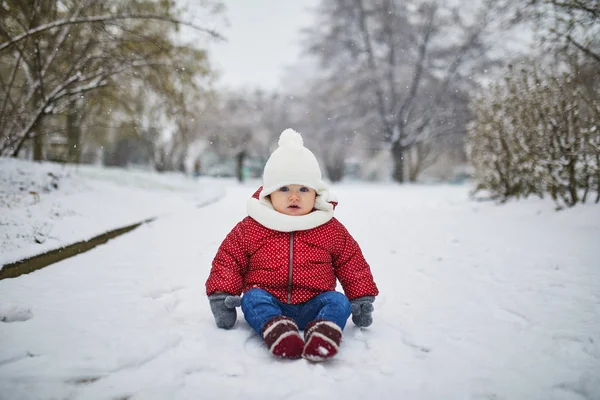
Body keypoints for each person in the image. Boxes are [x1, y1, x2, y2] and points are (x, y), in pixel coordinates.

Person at [205, 128, 379, 362]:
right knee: (252, 298)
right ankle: (277, 330)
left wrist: (362, 298)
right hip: (270, 300)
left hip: (315, 304)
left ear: (316, 194)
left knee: (338, 301)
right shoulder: (252, 227)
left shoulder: (329, 228)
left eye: (303, 189)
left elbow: (351, 262)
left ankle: (324, 332)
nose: (294, 197)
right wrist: (221, 296)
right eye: (284, 189)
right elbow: (229, 259)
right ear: (268, 194)